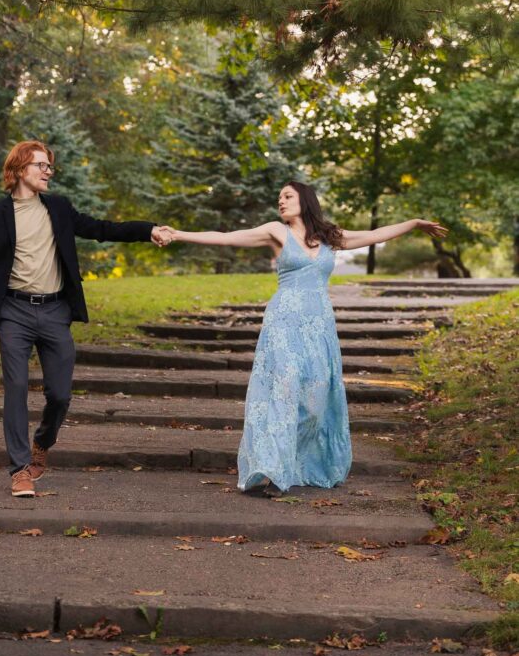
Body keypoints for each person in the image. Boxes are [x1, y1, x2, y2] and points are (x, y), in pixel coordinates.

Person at [0, 140, 172, 497]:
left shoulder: (59, 209)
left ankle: (42, 442)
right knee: (16, 387)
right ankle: (19, 469)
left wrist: (148, 229)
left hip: (54, 311)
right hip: (13, 312)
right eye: (41, 166)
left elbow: (102, 228)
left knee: (61, 394)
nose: (48, 171)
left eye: (50, 167)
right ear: (19, 170)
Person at [161, 182, 446, 495]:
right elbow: (226, 238)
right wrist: (178, 234)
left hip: (319, 326)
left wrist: (414, 224)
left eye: (287, 196)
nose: (280, 201)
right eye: (279, 197)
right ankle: (271, 470)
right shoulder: (276, 231)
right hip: (283, 324)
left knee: (314, 401)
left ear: (305, 200)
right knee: (283, 394)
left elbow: (374, 234)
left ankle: (300, 464)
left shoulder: (329, 237)